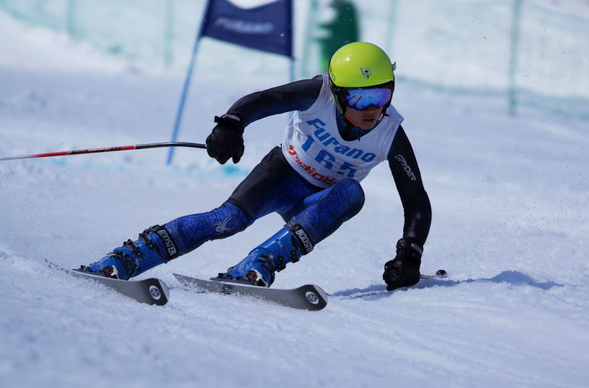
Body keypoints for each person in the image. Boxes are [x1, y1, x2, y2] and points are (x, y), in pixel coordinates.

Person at [81, 42, 431, 291]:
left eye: (382, 96)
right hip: (282, 174)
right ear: (338, 94)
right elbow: (265, 100)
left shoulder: (389, 133)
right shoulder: (318, 93)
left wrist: (410, 254)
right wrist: (232, 124)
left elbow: (416, 200)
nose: (372, 109)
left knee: (352, 193)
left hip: (320, 204)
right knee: (226, 221)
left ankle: (256, 266)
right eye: (360, 97)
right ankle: (126, 259)